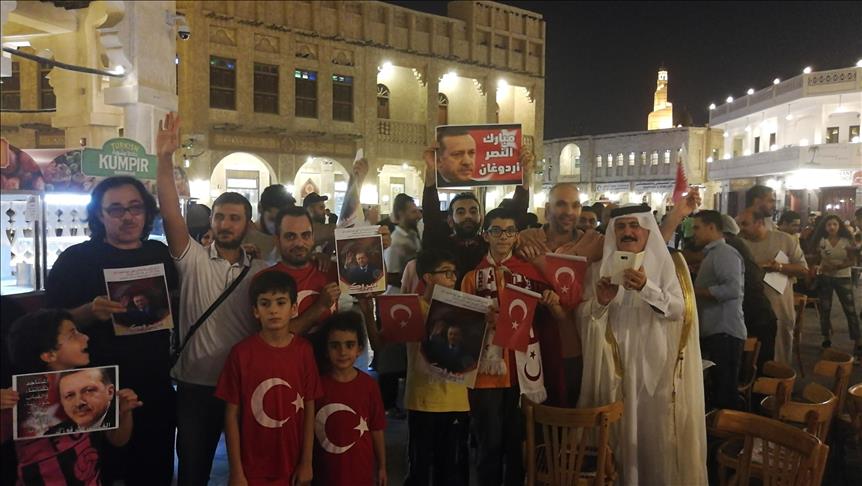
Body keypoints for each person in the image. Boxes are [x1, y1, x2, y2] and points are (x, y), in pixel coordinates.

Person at [156, 112, 270, 485]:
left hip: (243, 385)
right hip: (196, 386)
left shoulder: (260, 271)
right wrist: (164, 159)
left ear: (248, 224)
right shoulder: (193, 259)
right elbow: (170, 212)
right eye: (220, 216)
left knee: (249, 471)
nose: (225, 224)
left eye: (234, 218)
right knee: (192, 470)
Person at [45, 175, 178, 485]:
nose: (128, 216)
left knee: (156, 469)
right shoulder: (76, 260)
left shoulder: (159, 254)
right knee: (100, 471)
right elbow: (48, 323)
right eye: (116, 209)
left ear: (146, 212)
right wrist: (87, 313)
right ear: (99, 214)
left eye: (135, 207)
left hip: (155, 384)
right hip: (95, 388)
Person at [578, 204, 706, 485]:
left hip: (657, 375)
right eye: (621, 227)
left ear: (647, 229)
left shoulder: (671, 264)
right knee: (620, 441)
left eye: (634, 225)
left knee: (657, 442)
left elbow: (680, 311)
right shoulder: (600, 268)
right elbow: (586, 316)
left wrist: (646, 287)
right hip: (616, 373)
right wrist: (601, 302)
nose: (628, 232)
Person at [461, 208, 567, 486]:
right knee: (489, 442)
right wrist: (480, 321)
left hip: (522, 370)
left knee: (517, 442)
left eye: (509, 231)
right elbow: (459, 325)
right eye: (496, 231)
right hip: (487, 374)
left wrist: (550, 298)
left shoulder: (529, 273)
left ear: (517, 236)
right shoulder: (472, 277)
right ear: (486, 235)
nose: (503, 237)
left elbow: (553, 312)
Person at [364, 249, 471, 485]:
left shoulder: (465, 311)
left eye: (454, 272)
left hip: (457, 400)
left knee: (452, 469)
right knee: (419, 466)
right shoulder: (413, 308)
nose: (453, 278)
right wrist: (367, 311)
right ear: (428, 277)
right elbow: (380, 344)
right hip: (422, 401)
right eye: (446, 272)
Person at [1, 310, 141, 484]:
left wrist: (124, 412)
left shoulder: (93, 385)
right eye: (73, 334)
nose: (86, 337)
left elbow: (118, 439)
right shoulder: (18, 398)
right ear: (49, 355)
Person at [216, 271, 322, 486]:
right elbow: (231, 416)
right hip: (252, 467)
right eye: (265, 304)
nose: (273, 310)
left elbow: (310, 406)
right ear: (255, 311)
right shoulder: (241, 354)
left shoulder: (304, 351)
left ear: (293, 308)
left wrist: (307, 461)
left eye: (280, 303)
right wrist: (236, 471)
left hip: (293, 464)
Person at [515, 182, 606, 406]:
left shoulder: (594, 242)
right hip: (530, 341)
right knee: (531, 409)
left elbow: (639, 244)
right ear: (547, 209)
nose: (569, 212)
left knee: (567, 406)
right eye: (561, 204)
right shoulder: (526, 238)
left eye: (575, 205)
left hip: (571, 342)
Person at [421, 146, 532, 287]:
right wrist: (431, 172)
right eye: (460, 212)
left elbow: (516, 216)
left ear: (481, 217)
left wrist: (525, 175)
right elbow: (431, 218)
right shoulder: (441, 246)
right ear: (450, 220)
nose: (468, 216)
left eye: (473, 211)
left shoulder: (490, 244)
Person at [312, 312, 386, 486]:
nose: (342, 352)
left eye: (349, 345)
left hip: (361, 471)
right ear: (326, 350)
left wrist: (382, 466)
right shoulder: (317, 385)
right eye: (335, 345)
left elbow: (376, 429)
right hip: (325, 473)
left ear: (359, 349)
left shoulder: (369, 386)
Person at [737, 208, 808, 366]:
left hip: (779, 309)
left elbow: (803, 270)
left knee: (778, 357)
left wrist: (779, 267)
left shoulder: (785, 240)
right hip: (748, 311)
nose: (741, 228)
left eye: (745, 224)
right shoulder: (739, 243)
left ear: (759, 223)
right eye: (739, 224)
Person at [691, 210, 746, 411]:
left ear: (712, 227)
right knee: (717, 390)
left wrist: (694, 291)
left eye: (697, 227)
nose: (694, 233)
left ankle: (730, 430)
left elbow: (732, 289)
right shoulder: (713, 254)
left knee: (725, 394)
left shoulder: (724, 253)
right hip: (716, 331)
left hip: (724, 332)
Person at [263, 206, 340, 336]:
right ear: (277, 240)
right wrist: (320, 307)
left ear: (313, 237)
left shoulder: (330, 270)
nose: (299, 243)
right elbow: (276, 337)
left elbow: (369, 285)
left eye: (305, 235)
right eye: (290, 236)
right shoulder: (266, 281)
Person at [720, 214, 778, 369]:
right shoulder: (737, 244)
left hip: (755, 315)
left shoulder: (728, 246)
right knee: (755, 367)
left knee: (753, 368)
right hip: (757, 314)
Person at [811, 214, 861, 357]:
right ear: (824, 227)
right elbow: (816, 258)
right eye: (829, 225)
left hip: (843, 277)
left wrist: (837, 267)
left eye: (834, 224)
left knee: (850, 309)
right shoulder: (821, 241)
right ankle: (826, 339)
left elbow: (852, 261)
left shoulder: (846, 240)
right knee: (825, 309)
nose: (832, 227)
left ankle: (857, 341)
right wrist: (817, 266)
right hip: (825, 278)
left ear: (839, 226)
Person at [46, 368, 118, 434]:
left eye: (88, 391)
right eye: (70, 395)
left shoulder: (122, 422)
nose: (78, 403)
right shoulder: (53, 433)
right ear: (62, 402)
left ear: (110, 392)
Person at [244, 184, 296, 264]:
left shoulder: (290, 239)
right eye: (273, 219)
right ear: (260, 208)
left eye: (284, 221)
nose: (278, 226)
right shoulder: (242, 236)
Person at [384, 193, 422, 292]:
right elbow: (391, 276)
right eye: (413, 212)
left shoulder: (413, 234)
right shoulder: (395, 242)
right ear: (401, 214)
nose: (419, 215)